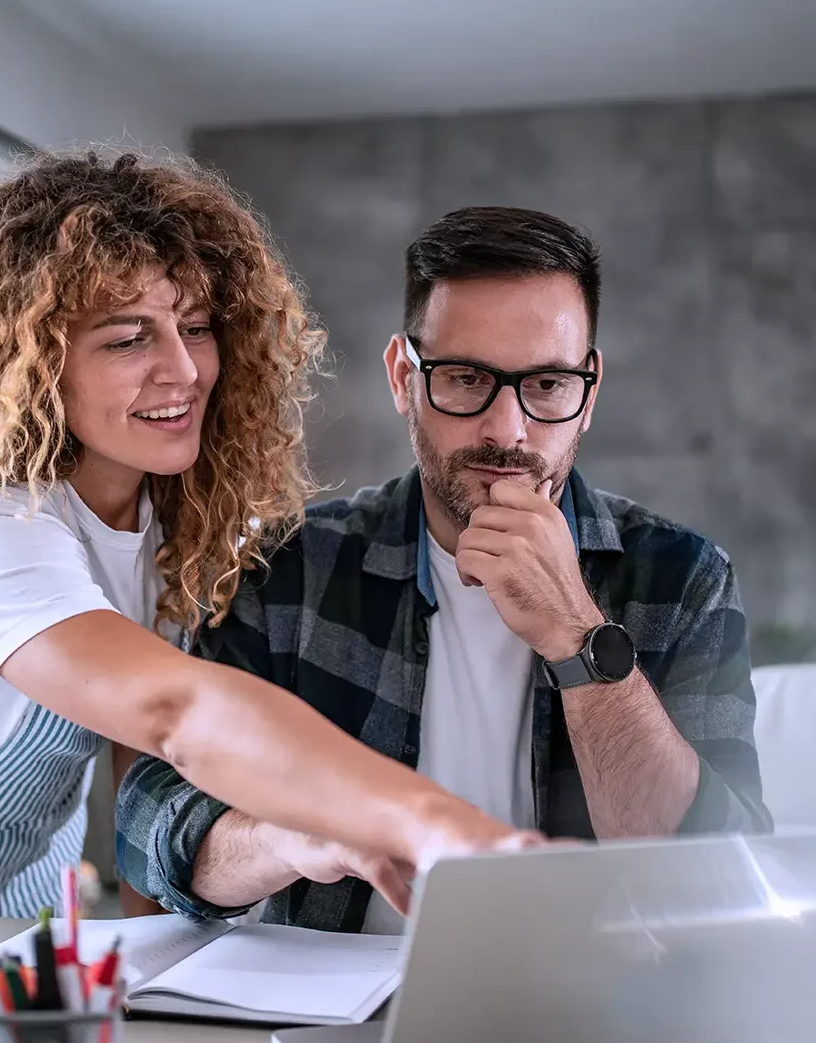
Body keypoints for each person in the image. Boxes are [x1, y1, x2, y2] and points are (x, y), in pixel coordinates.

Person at [0, 154, 538, 917]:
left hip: (14, 914)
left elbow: (147, 776)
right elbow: (178, 713)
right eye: (128, 339)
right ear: (31, 366)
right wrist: (422, 817)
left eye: (195, 328)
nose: (185, 369)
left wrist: (153, 989)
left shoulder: (171, 527)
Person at [116, 205, 773, 934]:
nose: (508, 429)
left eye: (548, 385)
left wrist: (580, 638)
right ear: (404, 378)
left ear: (589, 391)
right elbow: (147, 825)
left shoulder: (682, 579)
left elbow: (721, 877)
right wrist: (290, 835)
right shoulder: (290, 570)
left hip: (598, 1006)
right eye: (465, 379)